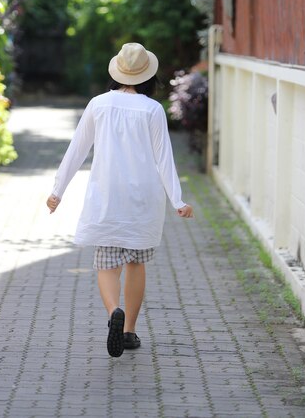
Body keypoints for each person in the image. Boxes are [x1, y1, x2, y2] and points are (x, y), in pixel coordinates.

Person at [46, 42, 194, 358]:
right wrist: (177, 200)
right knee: (136, 262)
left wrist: (57, 191)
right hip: (144, 199)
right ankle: (129, 332)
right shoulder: (152, 109)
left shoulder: (98, 104)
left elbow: (77, 150)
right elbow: (164, 158)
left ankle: (114, 310)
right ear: (148, 76)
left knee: (106, 264)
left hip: (107, 196)